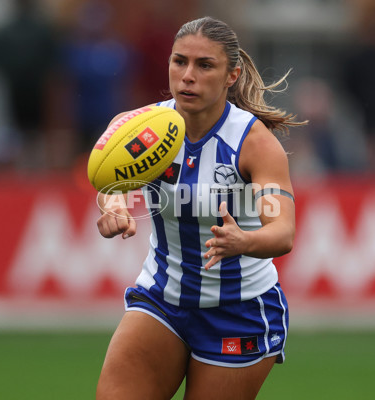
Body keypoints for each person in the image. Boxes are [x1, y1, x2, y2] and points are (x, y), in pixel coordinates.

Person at [95, 16, 304, 400]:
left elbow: (283, 232)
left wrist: (245, 240)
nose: (187, 75)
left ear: (231, 75)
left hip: (238, 311)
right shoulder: (138, 127)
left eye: (204, 65)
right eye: (180, 61)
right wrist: (115, 207)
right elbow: (111, 180)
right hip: (161, 299)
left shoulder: (254, 143)